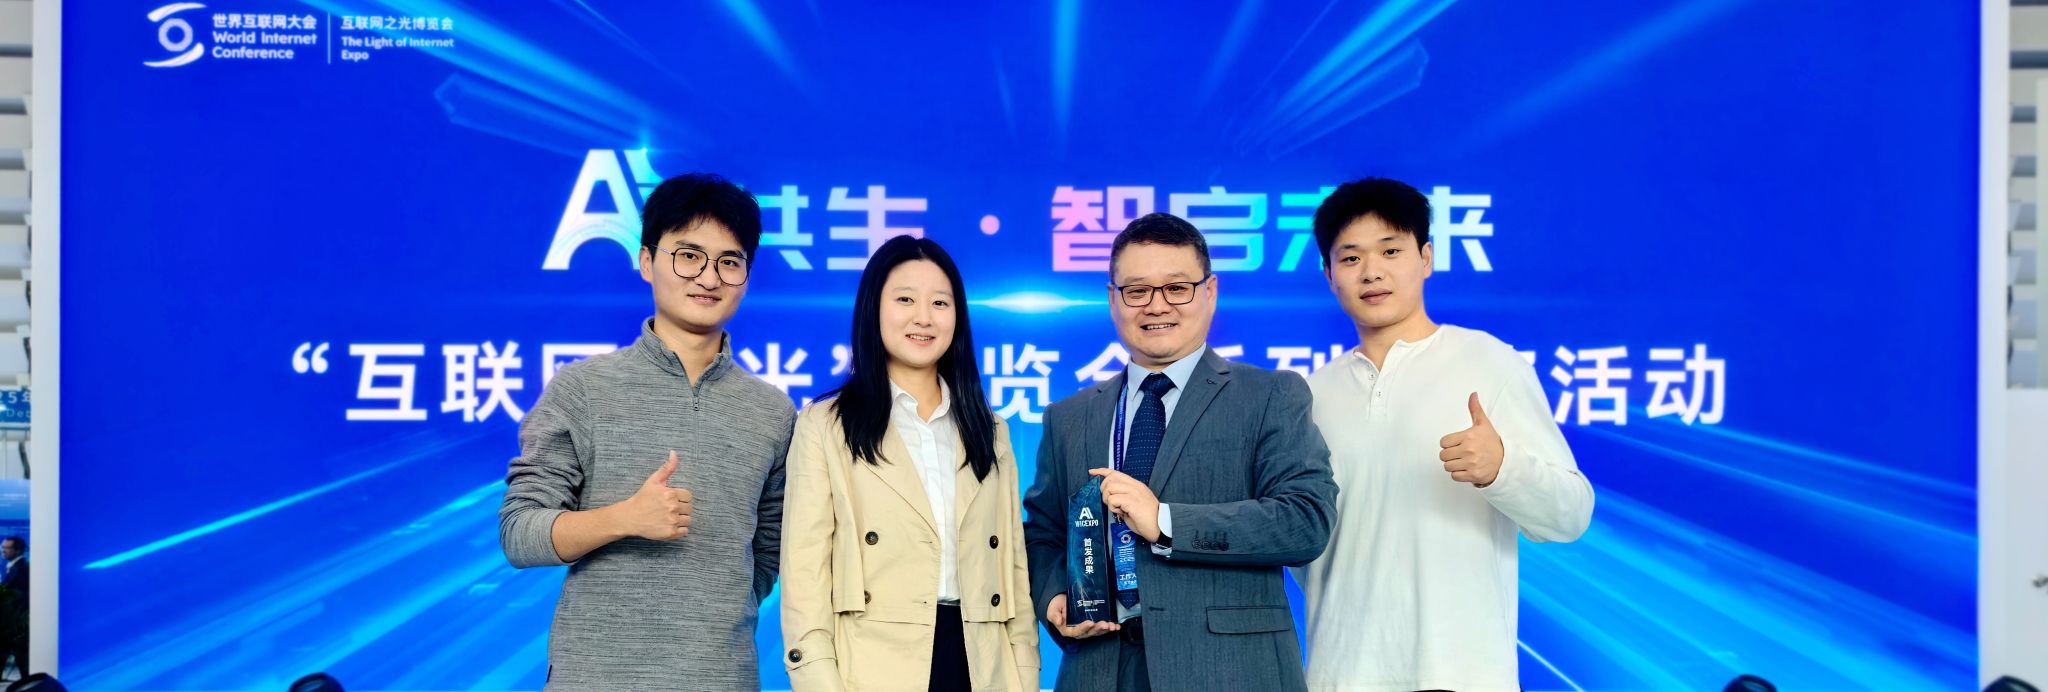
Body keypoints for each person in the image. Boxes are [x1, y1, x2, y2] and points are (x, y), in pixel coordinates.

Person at [497, 173, 797, 690]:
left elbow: (768, 552)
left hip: (718, 678)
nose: (709, 278)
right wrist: (623, 518)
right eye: (689, 256)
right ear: (646, 261)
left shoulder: (772, 411)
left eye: (729, 262)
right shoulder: (583, 388)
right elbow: (519, 533)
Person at [1294, 177, 1595, 692]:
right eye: (1351, 258)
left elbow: (1571, 516)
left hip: (1465, 674)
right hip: (1340, 675)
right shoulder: (1310, 397)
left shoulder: (1490, 363)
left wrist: (1503, 468)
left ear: (1426, 258)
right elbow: (1302, 542)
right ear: (1328, 274)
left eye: (1391, 250)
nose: (1372, 272)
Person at [1024, 212, 1338, 692]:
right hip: (1099, 669)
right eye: (1137, 291)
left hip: (1228, 671)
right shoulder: (1069, 416)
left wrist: (1166, 522)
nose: (1156, 305)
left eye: (1176, 288)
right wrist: (1053, 597)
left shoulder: (1270, 395)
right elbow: (1043, 533)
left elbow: (1304, 520)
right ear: (1113, 299)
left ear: (1209, 292)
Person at [781, 235, 1040, 691]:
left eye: (940, 303)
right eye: (905, 299)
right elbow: (805, 575)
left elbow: (1014, 576)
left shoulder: (990, 430)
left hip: (982, 663)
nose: (924, 317)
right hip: (873, 665)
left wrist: (1025, 676)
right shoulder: (826, 425)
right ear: (873, 309)